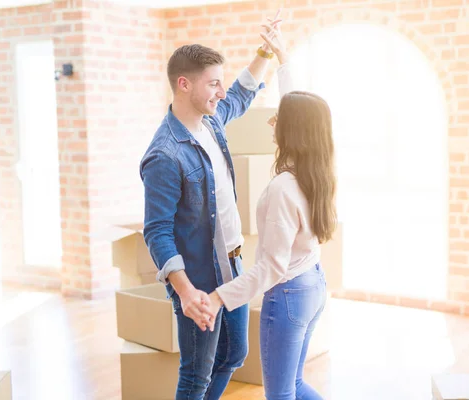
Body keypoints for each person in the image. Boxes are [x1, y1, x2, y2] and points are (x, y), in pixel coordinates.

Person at [139, 13, 288, 400]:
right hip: (199, 280)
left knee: (234, 353)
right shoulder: (164, 155)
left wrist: (264, 52)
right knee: (196, 375)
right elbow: (156, 231)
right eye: (213, 83)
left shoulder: (210, 122)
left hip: (233, 264)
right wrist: (186, 292)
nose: (220, 92)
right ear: (184, 84)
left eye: (220, 82)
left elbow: (239, 93)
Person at [207, 24, 338, 400]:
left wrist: (219, 298)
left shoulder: (284, 187)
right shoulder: (319, 171)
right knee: (295, 385)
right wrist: (281, 56)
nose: (271, 121)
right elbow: (301, 108)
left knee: (280, 394)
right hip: (313, 284)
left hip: (289, 295)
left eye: (279, 119)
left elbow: (271, 268)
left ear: (294, 131)